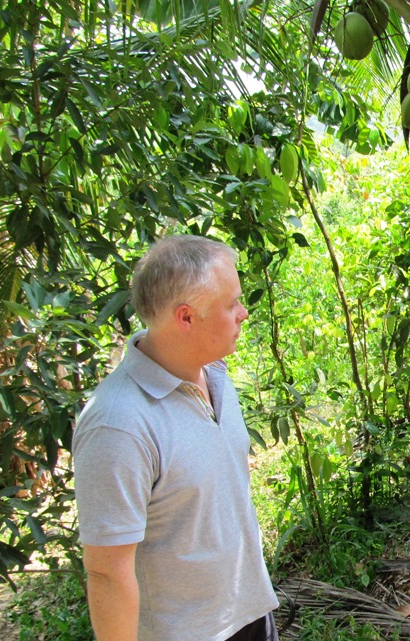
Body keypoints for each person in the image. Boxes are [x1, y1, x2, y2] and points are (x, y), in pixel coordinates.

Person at [73, 235, 279, 641]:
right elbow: (107, 572)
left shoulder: (215, 373)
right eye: (231, 304)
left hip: (249, 613)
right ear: (186, 317)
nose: (244, 313)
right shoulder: (117, 424)